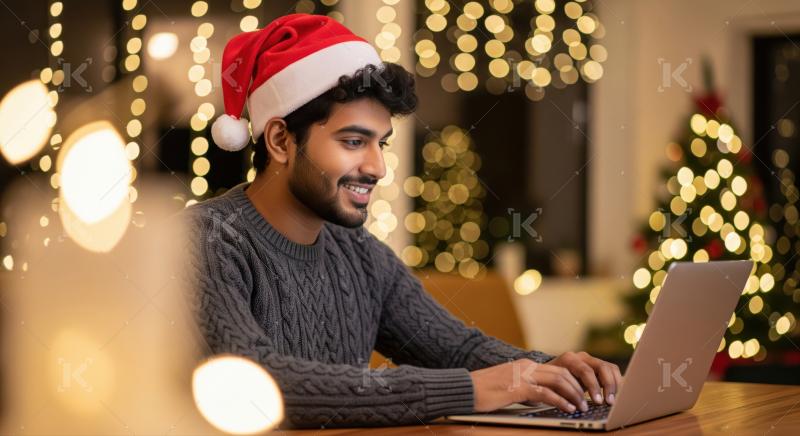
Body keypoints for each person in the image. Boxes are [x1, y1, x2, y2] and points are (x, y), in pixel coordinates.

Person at [182, 13, 622, 429]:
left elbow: (457, 349)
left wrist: (552, 371)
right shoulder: (206, 240)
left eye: (382, 144)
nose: (377, 168)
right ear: (280, 140)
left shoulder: (358, 253)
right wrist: (470, 391)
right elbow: (254, 383)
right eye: (354, 141)